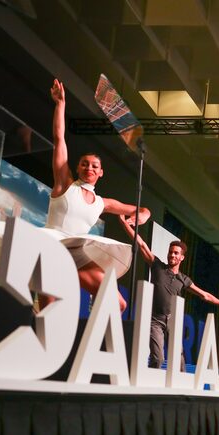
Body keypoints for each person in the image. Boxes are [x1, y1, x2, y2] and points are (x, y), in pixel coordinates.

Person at [42, 79, 150, 312]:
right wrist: (60, 104)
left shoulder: (103, 203)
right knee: (46, 315)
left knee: (118, 304)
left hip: (77, 254)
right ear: (78, 168)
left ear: (101, 173)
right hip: (52, 249)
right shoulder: (64, 184)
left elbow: (142, 210)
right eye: (84, 164)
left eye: (94, 166)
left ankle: (91, 343)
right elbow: (59, 139)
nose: (89, 168)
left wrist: (142, 216)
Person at [118, 217, 219, 368]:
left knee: (179, 361)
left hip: (173, 322)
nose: (172, 255)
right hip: (155, 320)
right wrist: (124, 224)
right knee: (158, 358)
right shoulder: (157, 266)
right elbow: (141, 244)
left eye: (176, 253)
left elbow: (205, 295)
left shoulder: (184, 280)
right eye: (170, 252)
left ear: (182, 257)